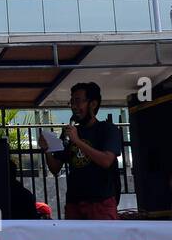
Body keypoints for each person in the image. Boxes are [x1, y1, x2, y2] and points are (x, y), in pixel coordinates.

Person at [39, 82, 122, 220]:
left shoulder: (107, 129)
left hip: (100, 202)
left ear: (93, 104)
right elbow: (55, 168)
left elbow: (106, 161)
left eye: (77, 101)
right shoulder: (69, 133)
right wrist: (47, 149)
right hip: (74, 203)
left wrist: (77, 141)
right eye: (71, 102)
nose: (73, 107)